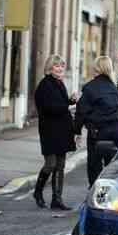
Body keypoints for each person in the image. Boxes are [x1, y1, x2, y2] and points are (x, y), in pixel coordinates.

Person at [33, 55, 77, 210]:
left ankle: (56, 199)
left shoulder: (59, 84)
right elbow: (48, 108)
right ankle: (38, 192)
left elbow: (60, 103)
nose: (60, 69)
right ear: (50, 68)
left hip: (62, 129)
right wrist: (67, 107)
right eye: (57, 66)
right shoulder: (45, 85)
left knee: (61, 165)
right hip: (49, 130)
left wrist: (70, 101)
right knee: (50, 164)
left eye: (62, 66)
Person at [75, 56, 118, 186]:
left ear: (96, 68)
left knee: (94, 167)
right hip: (114, 134)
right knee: (111, 168)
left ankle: (96, 195)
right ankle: (109, 195)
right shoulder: (114, 88)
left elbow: (81, 112)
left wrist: (77, 131)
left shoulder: (90, 88)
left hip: (97, 133)